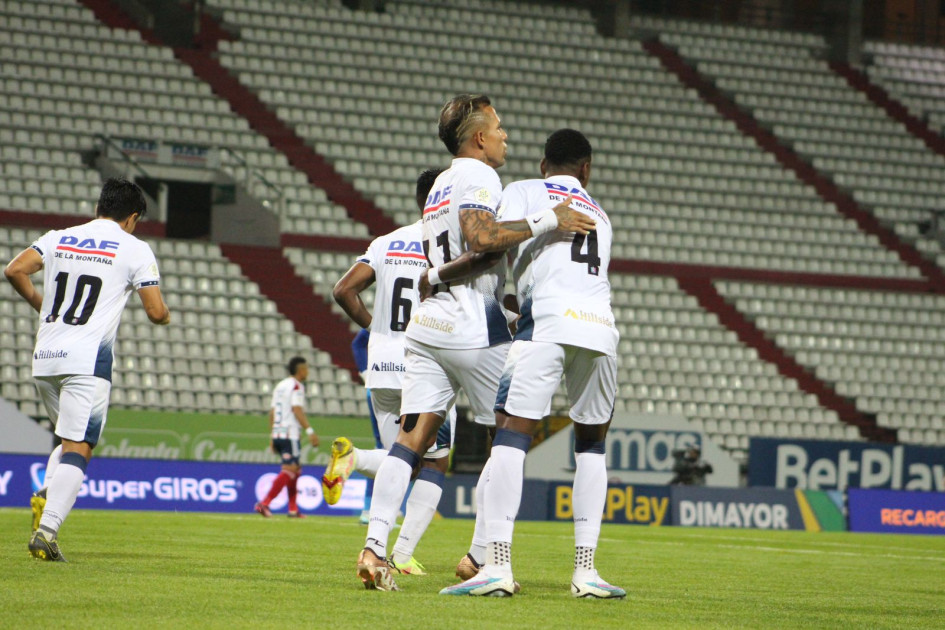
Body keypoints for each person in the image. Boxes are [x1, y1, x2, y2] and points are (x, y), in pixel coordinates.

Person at [355, 94, 595, 592]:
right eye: (500, 128)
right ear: (479, 138)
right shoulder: (480, 176)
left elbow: (464, 247)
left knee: (410, 440)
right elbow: (482, 239)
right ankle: (484, 557)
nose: (506, 136)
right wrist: (550, 218)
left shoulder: (439, 183)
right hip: (471, 326)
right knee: (507, 439)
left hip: (427, 328)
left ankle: (375, 548)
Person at [440, 129, 625, 598]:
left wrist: (438, 277)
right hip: (600, 328)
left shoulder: (522, 190)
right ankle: (587, 572)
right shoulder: (601, 215)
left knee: (510, 434)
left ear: (545, 165)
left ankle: (497, 565)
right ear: (586, 169)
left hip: (546, 323)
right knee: (592, 447)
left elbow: (487, 246)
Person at [4, 178, 171, 561]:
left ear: (99, 207)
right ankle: (46, 531)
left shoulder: (59, 236)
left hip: (45, 356)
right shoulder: (134, 248)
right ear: (132, 218)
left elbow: (15, 270)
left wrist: (41, 305)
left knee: (66, 441)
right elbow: (155, 310)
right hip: (87, 360)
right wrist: (165, 318)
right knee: (80, 447)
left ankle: (48, 495)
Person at [327, 168, 457, 576]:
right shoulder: (447, 248)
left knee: (403, 458)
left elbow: (342, 290)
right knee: (434, 463)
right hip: (426, 366)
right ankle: (398, 553)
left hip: (381, 367)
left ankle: (355, 464)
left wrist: (375, 328)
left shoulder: (386, 241)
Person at [254, 356, 320, 518]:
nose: (308, 372)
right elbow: (297, 409)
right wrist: (310, 431)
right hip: (290, 433)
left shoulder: (280, 386)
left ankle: (292, 509)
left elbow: (272, 412)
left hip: (278, 432)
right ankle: (265, 503)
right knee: (290, 468)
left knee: (296, 468)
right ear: (300, 370)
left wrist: (272, 435)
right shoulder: (297, 386)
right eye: (306, 368)